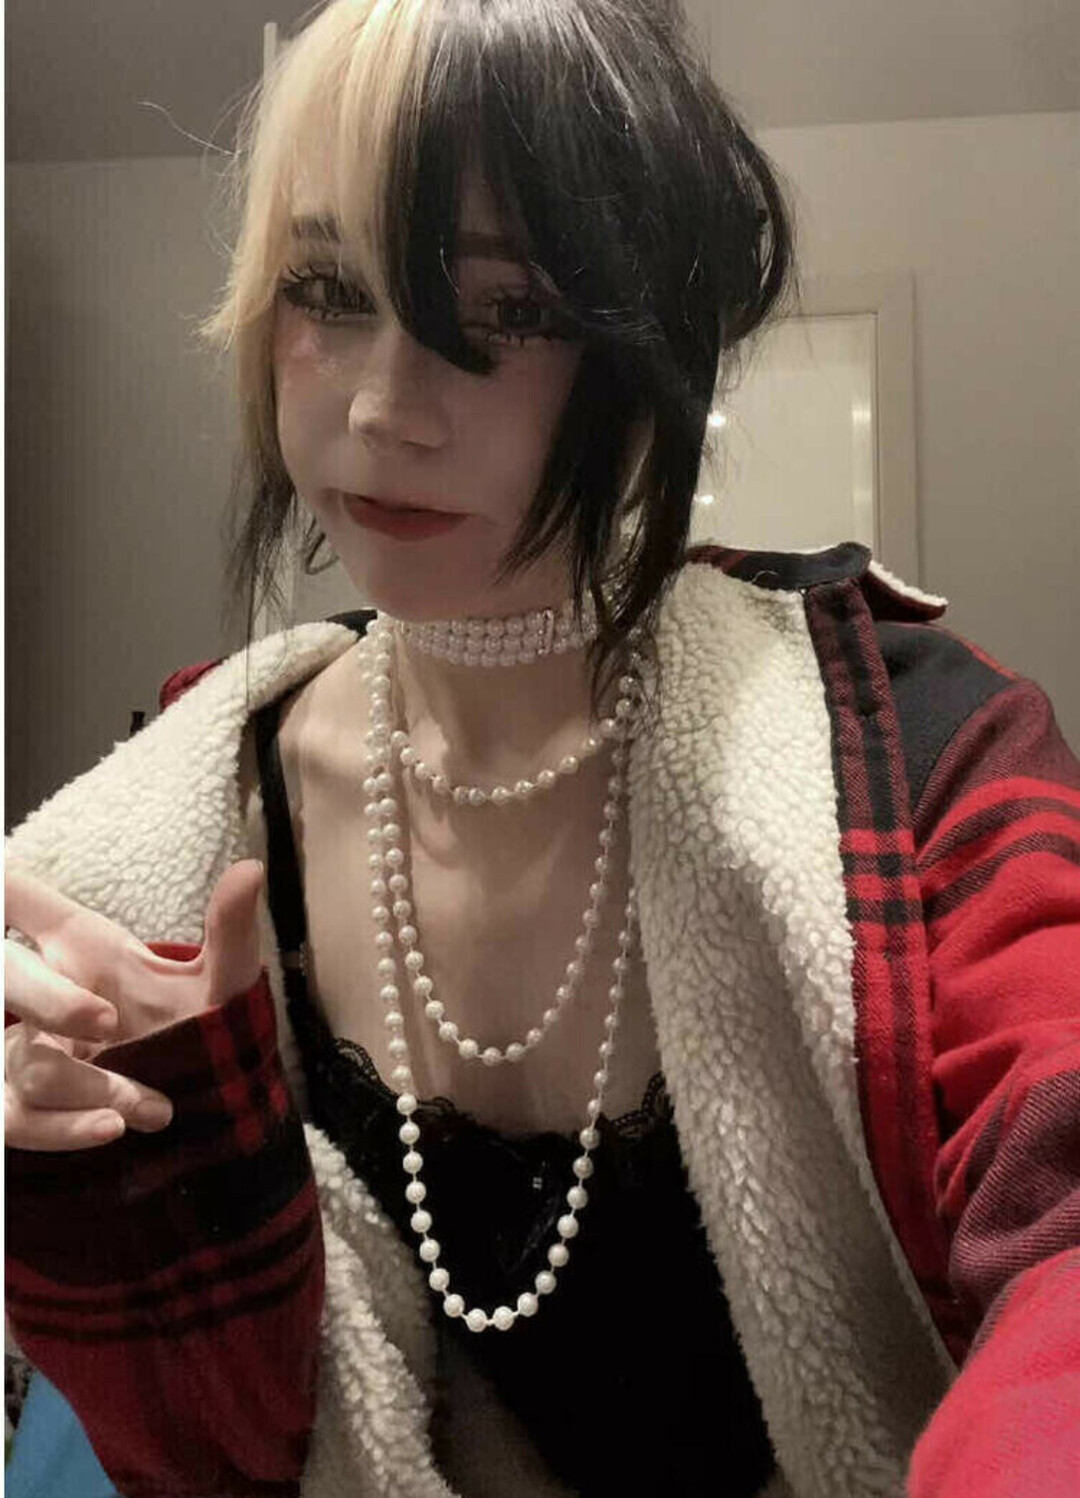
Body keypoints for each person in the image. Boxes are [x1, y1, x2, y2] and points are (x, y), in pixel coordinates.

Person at [5, 1, 1079, 1494]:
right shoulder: (180, 834)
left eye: (504, 312)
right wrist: (136, 1175)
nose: (384, 407)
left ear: (649, 338)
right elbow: (228, 1456)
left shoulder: (915, 748)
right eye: (329, 288)